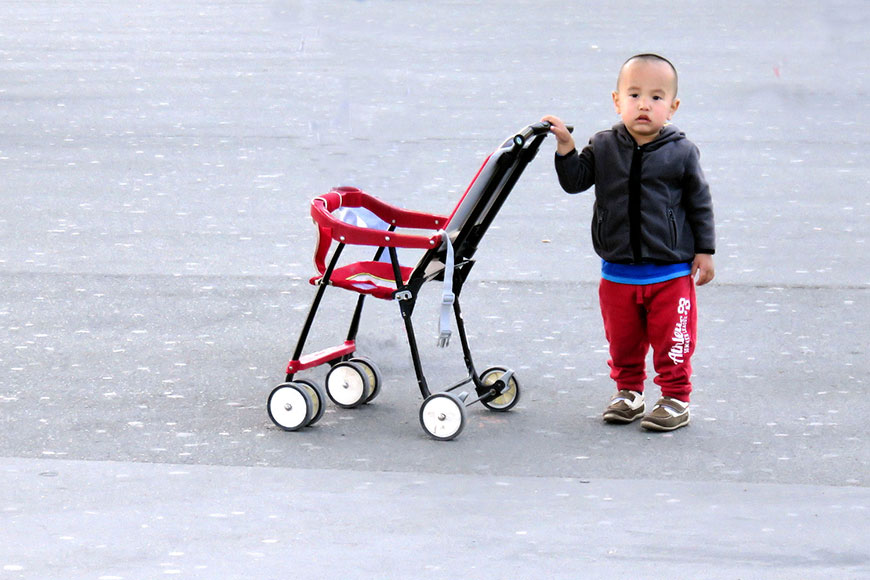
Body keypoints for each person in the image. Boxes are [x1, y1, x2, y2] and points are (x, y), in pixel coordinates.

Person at [542, 53, 715, 432]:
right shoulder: (602, 146)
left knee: (673, 341)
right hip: (617, 272)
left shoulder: (682, 152)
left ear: (672, 106)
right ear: (617, 101)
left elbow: (698, 203)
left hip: (669, 272)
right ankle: (628, 392)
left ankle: (674, 398)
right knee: (622, 342)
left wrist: (705, 250)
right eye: (634, 94)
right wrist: (566, 148)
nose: (644, 105)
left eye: (656, 97)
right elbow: (575, 181)